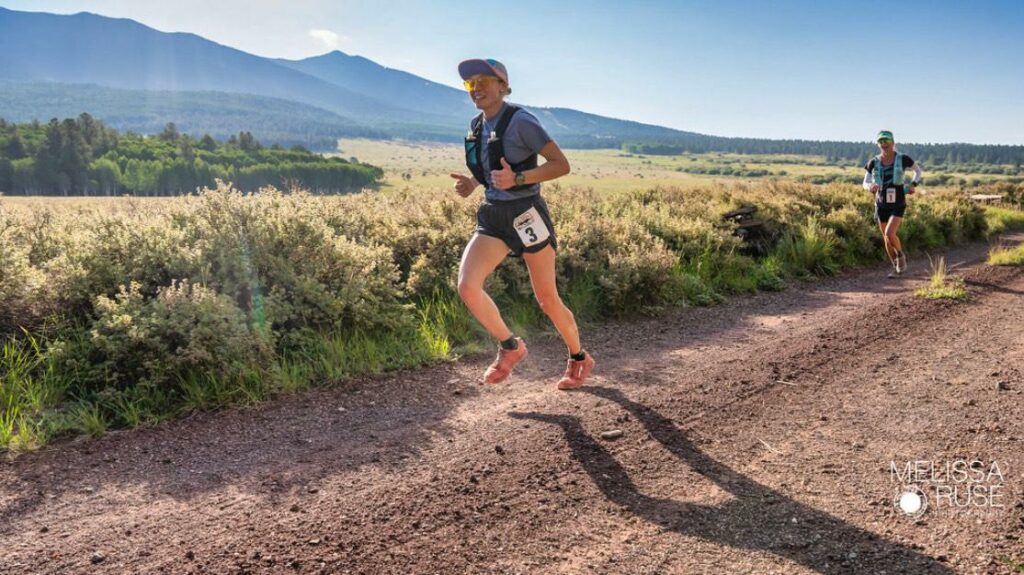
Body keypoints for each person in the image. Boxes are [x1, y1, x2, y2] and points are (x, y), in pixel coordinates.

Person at [449, 58, 594, 390]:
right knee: (468, 287)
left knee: (547, 299)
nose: (476, 88)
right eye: (470, 83)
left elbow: (561, 165)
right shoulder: (475, 126)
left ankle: (579, 357)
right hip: (494, 217)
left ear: (503, 85)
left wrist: (518, 178)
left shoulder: (522, 121)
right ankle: (510, 347)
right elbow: (488, 170)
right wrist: (474, 183)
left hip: (527, 214)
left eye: (484, 80)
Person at [863, 130, 922, 278]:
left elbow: (918, 171)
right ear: (878, 144)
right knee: (886, 238)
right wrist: (870, 187)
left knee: (890, 233)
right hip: (881, 203)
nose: (884, 144)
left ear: (893, 143)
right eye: (881, 142)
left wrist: (913, 184)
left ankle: (901, 256)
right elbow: (865, 181)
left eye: (887, 141)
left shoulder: (903, 158)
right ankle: (896, 268)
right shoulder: (873, 162)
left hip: (898, 202)